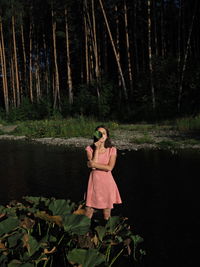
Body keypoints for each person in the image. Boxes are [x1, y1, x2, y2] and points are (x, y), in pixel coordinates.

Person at [85, 125, 122, 221]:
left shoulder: (112, 149)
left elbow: (110, 167)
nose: (101, 135)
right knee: (88, 211)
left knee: (106, 213)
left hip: (107, 184)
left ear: (107, 136)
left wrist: (93, 164)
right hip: (94, 183)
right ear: (95, 135)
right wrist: (97, 148)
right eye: (99, 133)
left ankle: (106, 234)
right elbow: (93, 166)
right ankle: (84, 235)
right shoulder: (90, 149)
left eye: (104, 133)